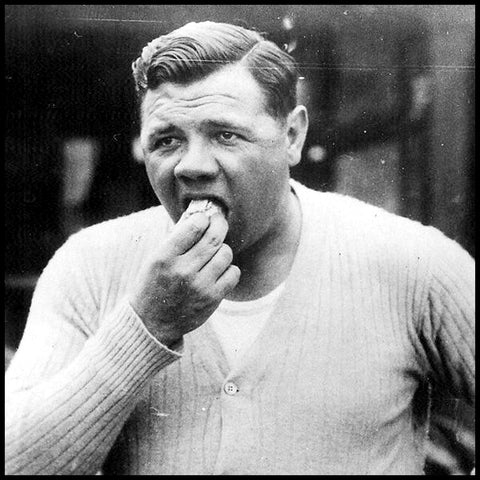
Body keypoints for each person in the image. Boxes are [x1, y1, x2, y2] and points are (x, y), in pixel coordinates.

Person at [5, 21, 474, 475]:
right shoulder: (89, 265)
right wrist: (145, 325)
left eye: (225, 135)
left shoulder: (414, 264)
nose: (191, 166)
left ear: (291, 137)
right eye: (167, 140)